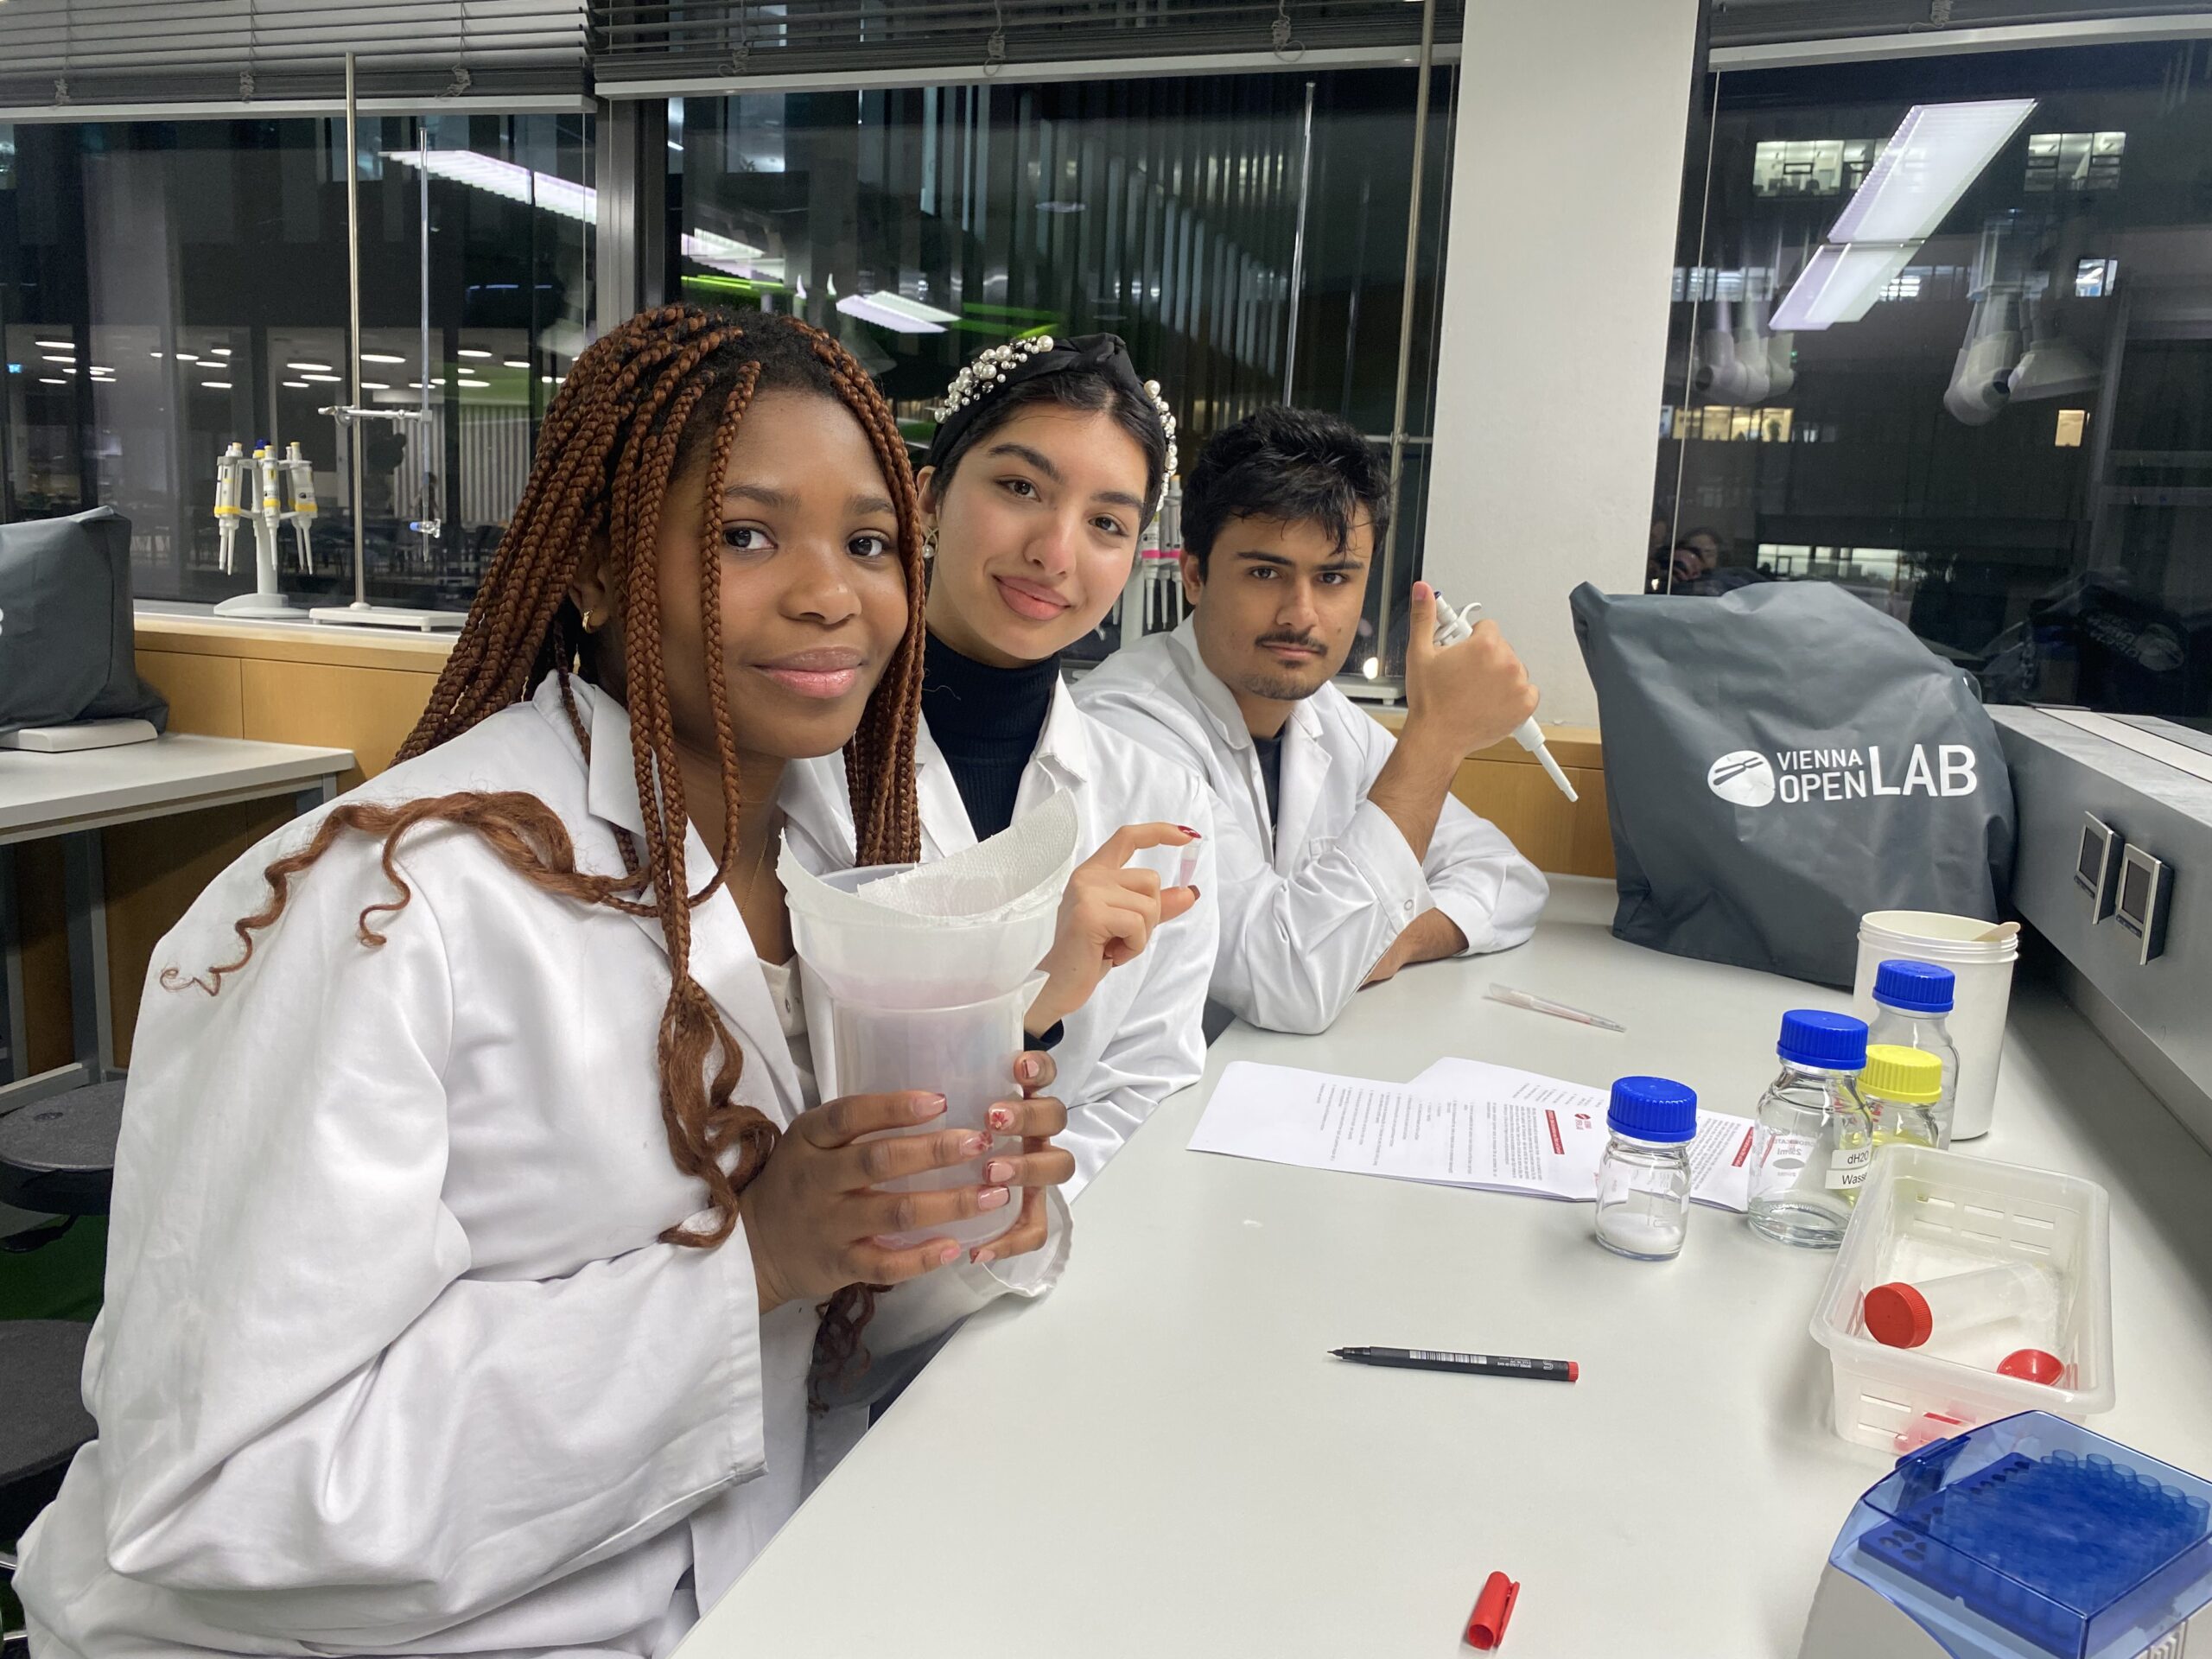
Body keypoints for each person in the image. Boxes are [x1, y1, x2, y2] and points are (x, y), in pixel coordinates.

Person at [15, 305, 1076, 1659]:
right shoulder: (391, 904)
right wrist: (755, 1260)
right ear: (591, 564)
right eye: (745, 535)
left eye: (870, 544)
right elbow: (232, 1491)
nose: (831, 594)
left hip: (735, 1581)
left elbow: (819, 1334)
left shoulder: (843, 853)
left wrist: (950, 1212)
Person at [781, 334, 1216, 1194]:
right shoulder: (802, 766)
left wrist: (1024, 1219)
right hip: (844, 1251)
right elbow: (804, 1085)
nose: (1055, 552)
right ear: (929, 497)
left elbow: (1148, 1086)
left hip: (1067, 1248)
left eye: (1106, 524)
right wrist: (1031, 990)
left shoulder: (1160, 799)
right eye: (1020, 488)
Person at [1076, 405, 1547, 1036]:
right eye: (1265, 572)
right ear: (1194, 576)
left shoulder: (1325, 715)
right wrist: (1436, 739)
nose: (1301, 615)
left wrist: (1393, 941)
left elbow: (1509, 878)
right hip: (1150, 1094)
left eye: (1332, 577)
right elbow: (1292, 982)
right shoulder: (1124, 729)